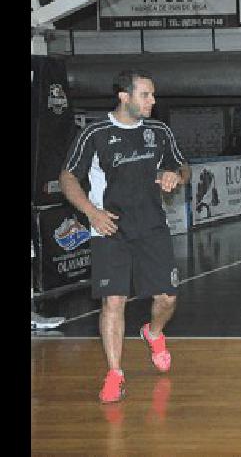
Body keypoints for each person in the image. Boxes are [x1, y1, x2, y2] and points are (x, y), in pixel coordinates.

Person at [59, 69, 190, 404]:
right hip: (110, 227)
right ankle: (115, 374)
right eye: (146, 95)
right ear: (124, 96)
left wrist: (176, 175)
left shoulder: (159, 131)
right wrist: (92, 212)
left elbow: (182, 166)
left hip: (151, 227)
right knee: (113, 302)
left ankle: (153, 333)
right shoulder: (96, 133)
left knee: (167, 298)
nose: (153, 101)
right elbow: (68, 177)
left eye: (153, 95)